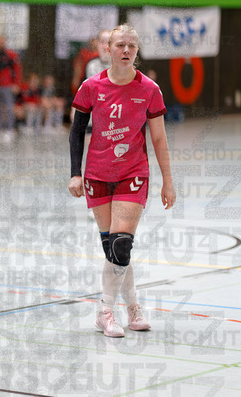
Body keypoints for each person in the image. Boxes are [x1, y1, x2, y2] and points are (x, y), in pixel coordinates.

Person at [68, 24, 176, 338]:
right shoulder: (91, 86)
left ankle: (104, 312)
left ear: (137, 51)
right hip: (98, 175)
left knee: (121, 244)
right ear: (109, 49)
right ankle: (133, 306)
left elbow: (159, 138)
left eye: (131, 45)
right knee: (112, 250)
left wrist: (168, 181)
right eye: (120, 45)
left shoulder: (149, 90)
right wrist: (75, 173)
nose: (126, 50)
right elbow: (77, 132)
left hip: (133, 173)